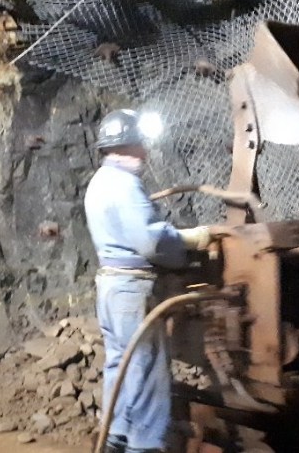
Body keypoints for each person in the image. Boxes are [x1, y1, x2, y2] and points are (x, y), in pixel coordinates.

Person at [84, 109, 213, 453]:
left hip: (110, 284)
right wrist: (187, 241)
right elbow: (150, 241)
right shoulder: (125, 184)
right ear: (130, 144)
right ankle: (144, 445)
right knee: (147, 366)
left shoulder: (99, 182)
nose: (146, 152)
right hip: (132, 288)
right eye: (142, 144)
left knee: (119, 362)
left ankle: (115, 436)